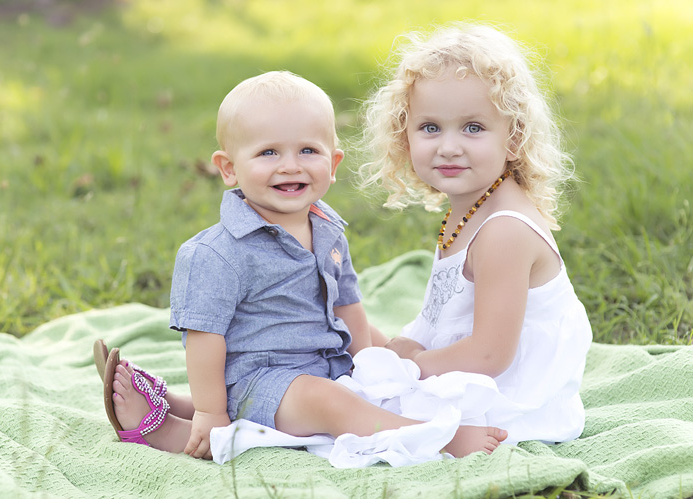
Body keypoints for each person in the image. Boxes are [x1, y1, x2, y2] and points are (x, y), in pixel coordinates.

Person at [98, 70, 507, 462]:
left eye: (308, 151)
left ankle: (177, 407)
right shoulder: (216, 253)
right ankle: (436, 438)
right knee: (327, 402)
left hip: (324, 365)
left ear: (332, 164)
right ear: (228, 168)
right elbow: (205, 339)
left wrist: (376, 368)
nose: (290, 165)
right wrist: (211, 413)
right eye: (268, 152)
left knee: (378, 366)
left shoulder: (327, 229)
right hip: (259, 377)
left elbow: (347, 306)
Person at [358, 23, 593, 444]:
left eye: (473, 128)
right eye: (430, 127)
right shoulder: (468, 210)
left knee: (347, 410)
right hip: (464, 376)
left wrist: (414, 361)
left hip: (508, 402)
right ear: (404, 135)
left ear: (513, 136)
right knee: (345, 366)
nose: (449, 146)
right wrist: (407, 345)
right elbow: (444, 315)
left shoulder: (504, 230)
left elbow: (489, 354)